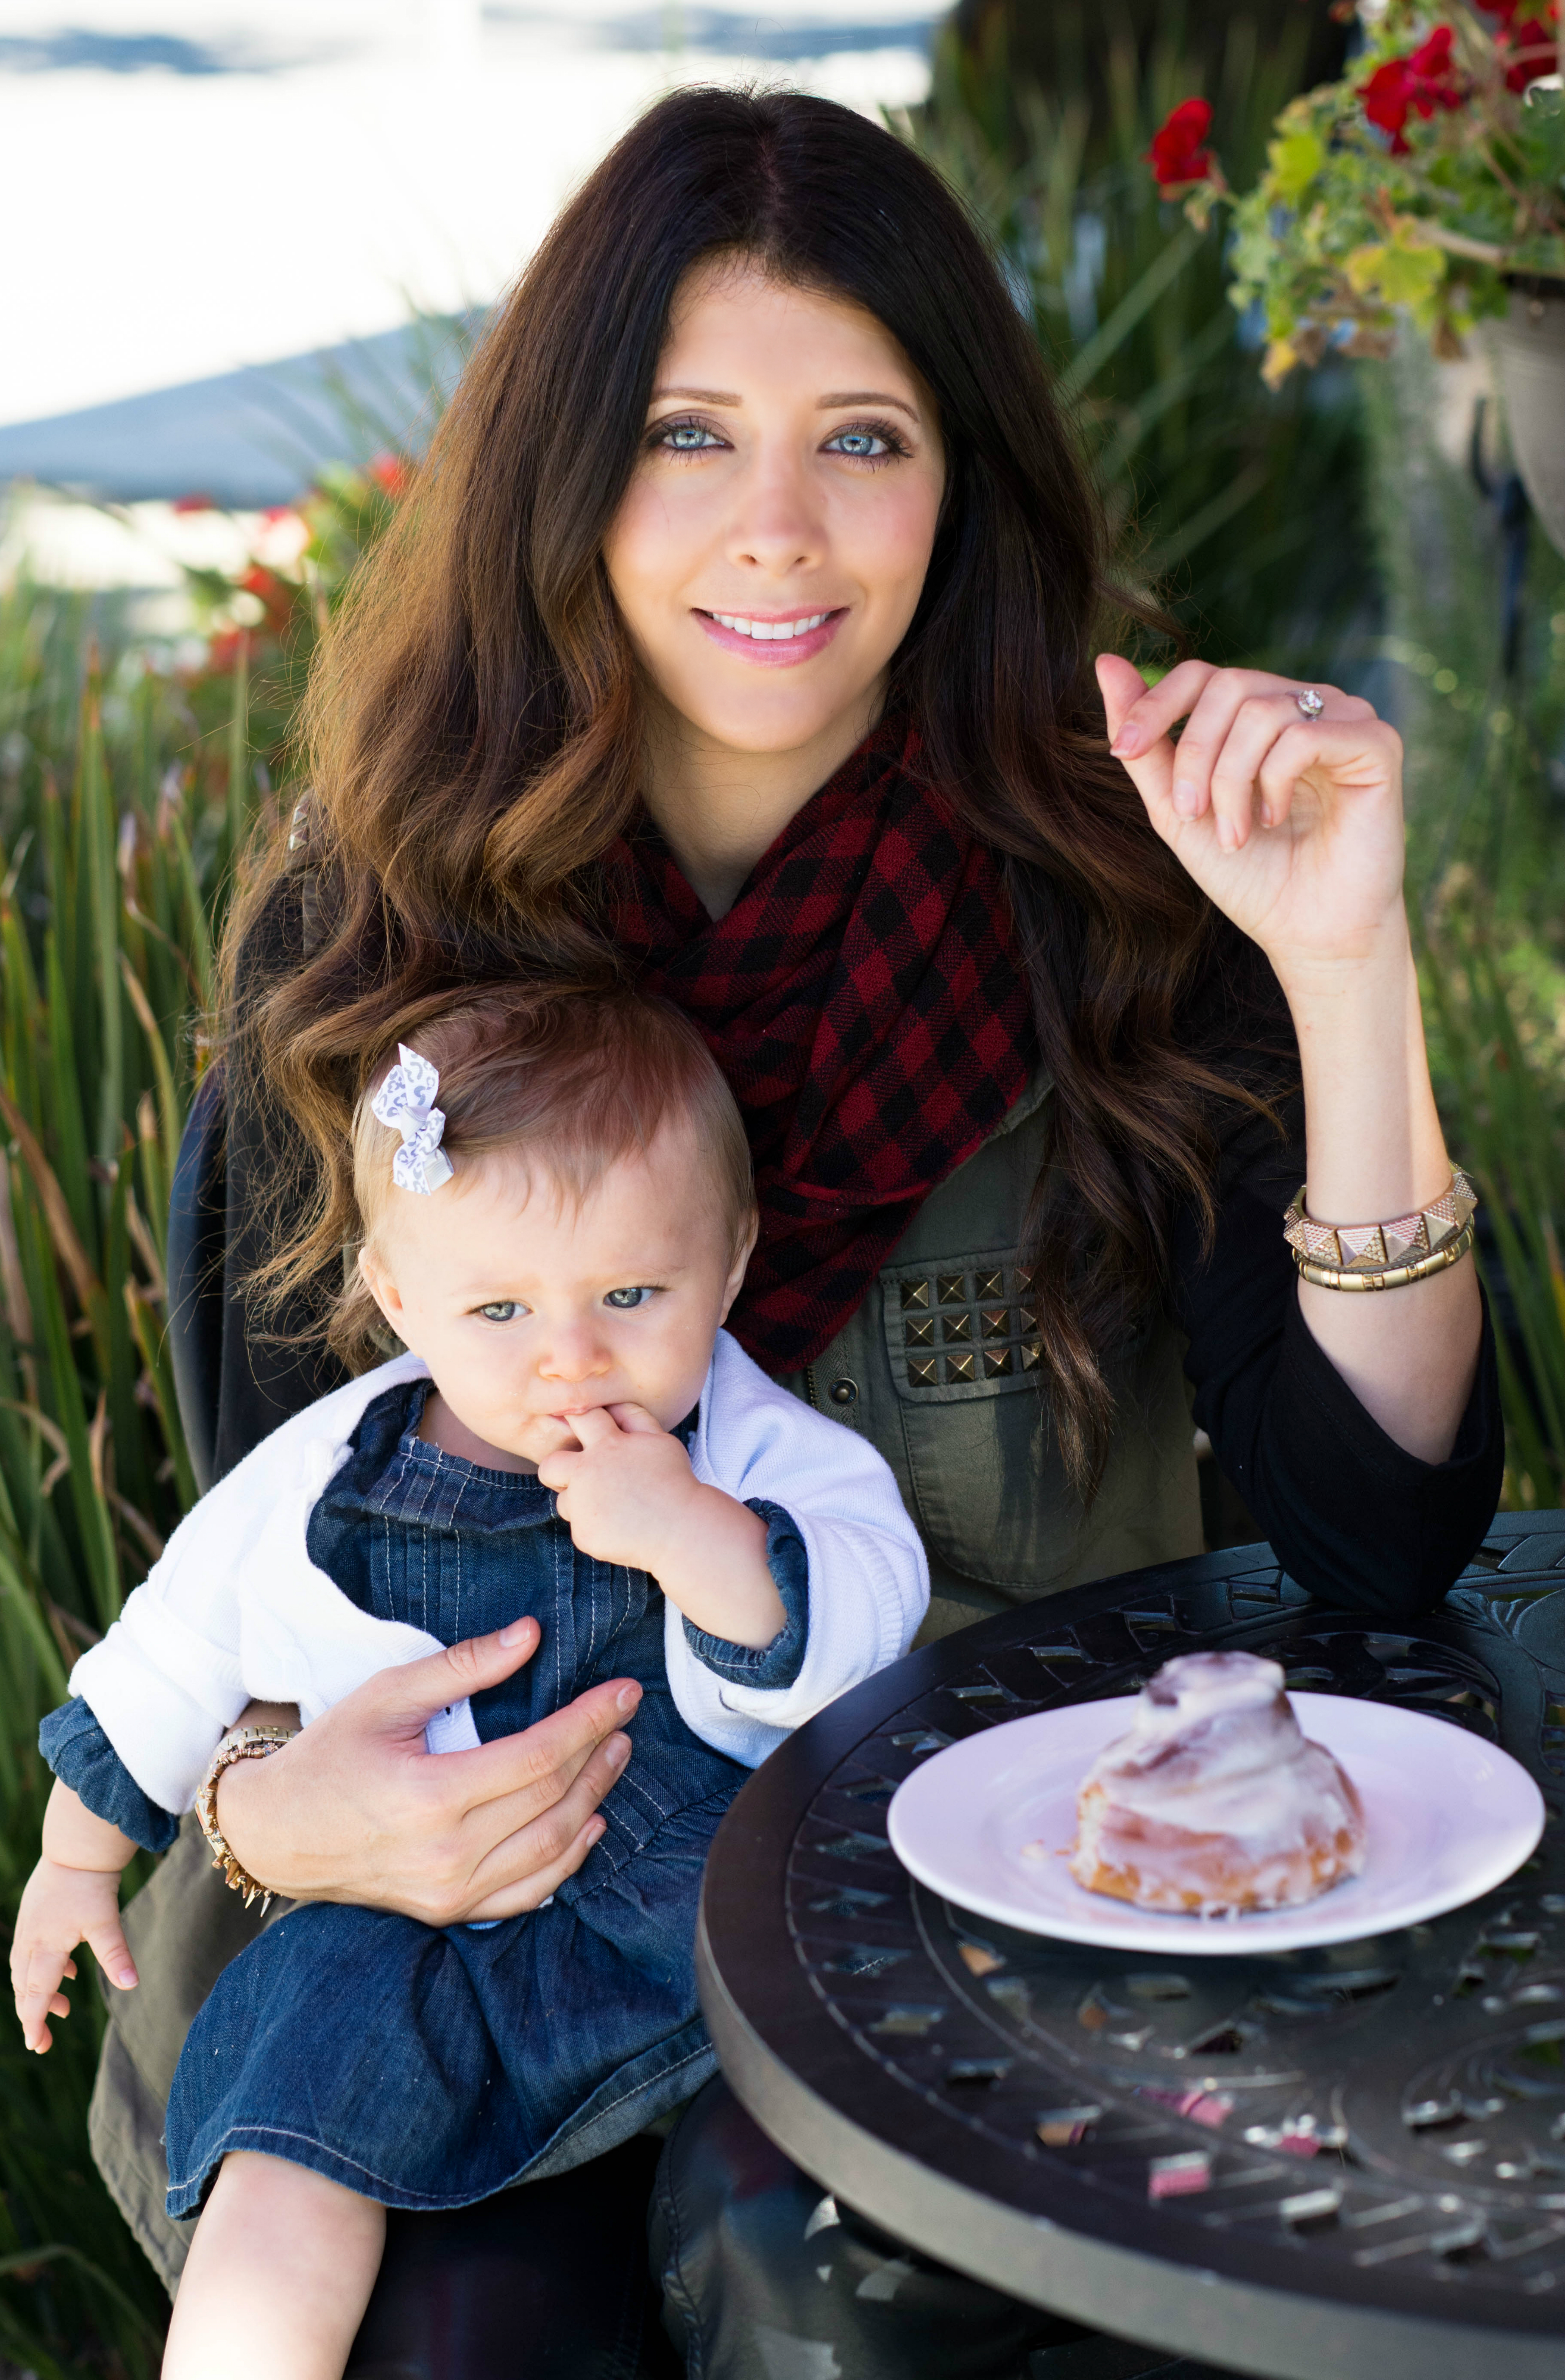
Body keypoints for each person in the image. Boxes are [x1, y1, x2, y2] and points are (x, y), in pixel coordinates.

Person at [86, 85, 1504, 2380]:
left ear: (961, 483)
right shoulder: (375, 960)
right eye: (682, 434)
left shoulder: (1127, 903)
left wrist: (1340, 970)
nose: (779, 529)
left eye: (862, 436)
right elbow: (279, 1568)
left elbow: (1375, 1543)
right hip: (483, 1924)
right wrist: (269, 1820)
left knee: (851, 2286)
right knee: (446, 2318)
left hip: (990, 1928)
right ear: (567, 473)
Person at [12, 987, 928, 2379]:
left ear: (730, 1264)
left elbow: (870, 1609)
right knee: (286, 2148)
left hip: (687, 1917)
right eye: (499, 1307)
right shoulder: (327, 1476)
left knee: (811, 2183)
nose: (571, 1355)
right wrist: (79, 1856)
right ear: (400, 1297)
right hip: (400, 1932)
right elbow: (177, 1641)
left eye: (631, 1295)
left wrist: (702, 1537)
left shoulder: (752, 1451)